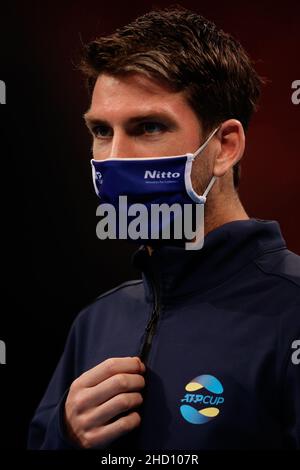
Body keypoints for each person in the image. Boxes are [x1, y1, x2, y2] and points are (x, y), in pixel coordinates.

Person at [28, 7, 300, 450]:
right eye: (101, 130)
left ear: (225, 147)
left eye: (149, 127)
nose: (114, 158)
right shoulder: (95, 322)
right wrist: (64, 436)